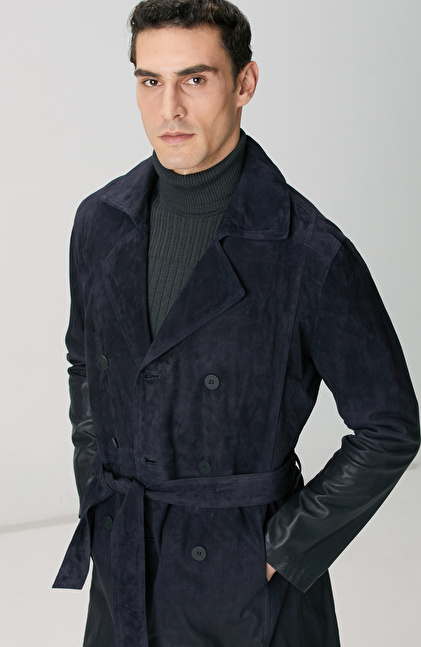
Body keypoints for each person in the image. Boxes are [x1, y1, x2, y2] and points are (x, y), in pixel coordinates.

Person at [53, 1, 420, 646]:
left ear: (244, 83)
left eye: (195, 79)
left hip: (245, 585)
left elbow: (389, 427)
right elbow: (86, 362)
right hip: (125, 559)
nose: (169, 108)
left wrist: (279, 551)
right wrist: (96, 488)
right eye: (150, 80)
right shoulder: (100, 221)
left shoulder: (308, 251)